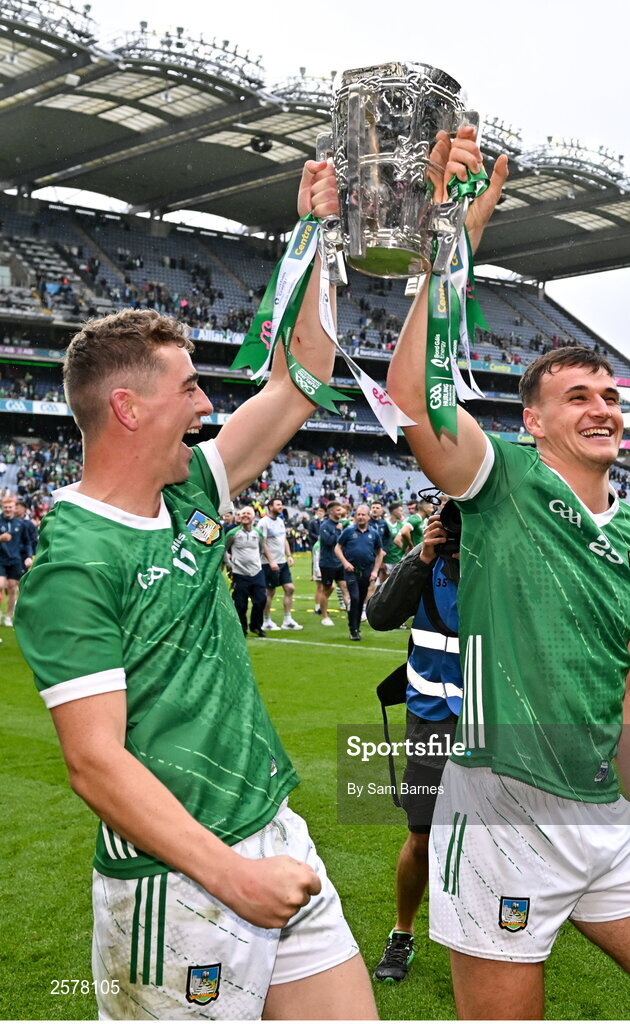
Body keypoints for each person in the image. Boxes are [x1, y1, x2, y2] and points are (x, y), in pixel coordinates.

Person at [383, 126, 630, 1020]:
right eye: (578, 397)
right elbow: (412, 398)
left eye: (612, 398)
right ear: (534, 422)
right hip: (501, 808)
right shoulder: (500, 483)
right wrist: (445, 235)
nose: (602, 410)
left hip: (605, 816)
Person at [13, 159, 377, 1021]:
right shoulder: (69, 564)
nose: (208, 405)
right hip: (177, 884)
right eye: (189, 390)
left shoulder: (190, 492)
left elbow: (301, 381)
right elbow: (94, 763)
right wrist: (231, 875)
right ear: (131, 409)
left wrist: (318, 242)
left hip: (274, 833)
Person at [367, 510, 462, 982]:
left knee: (500, 835)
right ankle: (402, 933)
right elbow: (381, 616)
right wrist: (422, 556)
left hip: (491, 723)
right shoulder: (423, 561)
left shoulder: (504, 563)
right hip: (429, 720)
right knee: (421, 837)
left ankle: (497, 926)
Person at [335, 503, 384, 641]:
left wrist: (375, 571)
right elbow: (337, 548)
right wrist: (345, 563)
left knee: (361, 600)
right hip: (351, 571)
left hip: (367, 572)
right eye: (358, 515)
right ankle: (353, 629)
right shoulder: (349, 531)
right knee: (355, 598)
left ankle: (356, 627)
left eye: (363, 514)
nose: (360, 517)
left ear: (368, 517)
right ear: (355, 516)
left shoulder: (374, 534)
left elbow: (380, 553)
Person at [259, 496, 303, 630]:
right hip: (269, 563)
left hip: (282, 561)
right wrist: (271, 561)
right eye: (278, 505)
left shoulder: (280, 521)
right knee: (269, 592)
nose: (281, 507)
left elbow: (284, 540)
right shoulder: (263, 522)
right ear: (270, 507)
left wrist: (289, 555)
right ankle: (266, 621)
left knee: (290, 588)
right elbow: (262, 543)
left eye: (281, 504)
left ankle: (287, 620)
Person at [224, 505, 266, 637]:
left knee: (261, 600)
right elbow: (223, 548)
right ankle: (242, 628)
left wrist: (255, 562)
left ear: (253, 517)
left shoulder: (258, 533)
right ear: (239, 517)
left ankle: (256, 626)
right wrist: (229, 563)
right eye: (243, 514)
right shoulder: (233, 533)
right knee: (240, 604)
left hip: (256, 572)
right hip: (239, 574)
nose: (245, 516)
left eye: (248, 514)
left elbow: (261, 549)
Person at [0, 494, 34, 626]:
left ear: (14, 508)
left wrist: (28, 557)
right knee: (0, 585)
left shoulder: (20, 524)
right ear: (2, 507)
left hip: (15, 560)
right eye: (5, 507)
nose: (8, 509)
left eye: (10, 507)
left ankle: (8, 616)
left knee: (12, 588)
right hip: (1, 559)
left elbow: (27, 542)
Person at [317, 499, 346, 627]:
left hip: (339, 563)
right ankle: (324, 616)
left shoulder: (340, 524)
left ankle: (352, 613)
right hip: (327, 563)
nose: (341, 512)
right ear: (331, 511)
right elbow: (329, 542)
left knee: (345, 587)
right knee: (327, 589)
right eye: (338, 510)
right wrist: (338, 531)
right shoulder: (325, 526)